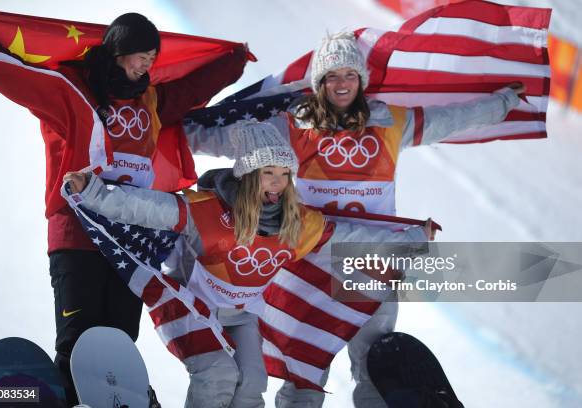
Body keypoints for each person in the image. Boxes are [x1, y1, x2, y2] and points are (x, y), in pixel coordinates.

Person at [182, 32, 525, 407]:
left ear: (361, 79)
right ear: (319, 83)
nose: (341, 84)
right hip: (311, 254)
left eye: (349, 75)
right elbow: (231, 139)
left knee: (374, 362)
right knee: (304, 365)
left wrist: (503, 102)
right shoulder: (295, 125)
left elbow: (454, 119)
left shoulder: (390, 121)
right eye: (331, 76)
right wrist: (171, 132)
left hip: (375, 258)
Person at [0, 12, 248, 405]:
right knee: (79, 340)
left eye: (152, 57)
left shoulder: (150, 101)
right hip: (78, 231)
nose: (146, 65)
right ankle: (51, 397)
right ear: (117, 51)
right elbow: (12, 74)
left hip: (131, 239)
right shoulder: (74, 91)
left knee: (118, 342)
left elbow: (192, 89)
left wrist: (233, 61)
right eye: (140, 56)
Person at [62, 120, 434, 407]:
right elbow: (143, 207)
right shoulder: (207, 210)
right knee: (218, 376)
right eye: (268, 173)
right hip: (193, 307)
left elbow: (350, 238)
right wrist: (93, 192)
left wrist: (413, 240)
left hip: (241, 315)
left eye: (284, 174)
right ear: (249, 174)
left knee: (252, 384)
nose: (277, 183)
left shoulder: (296, 224)